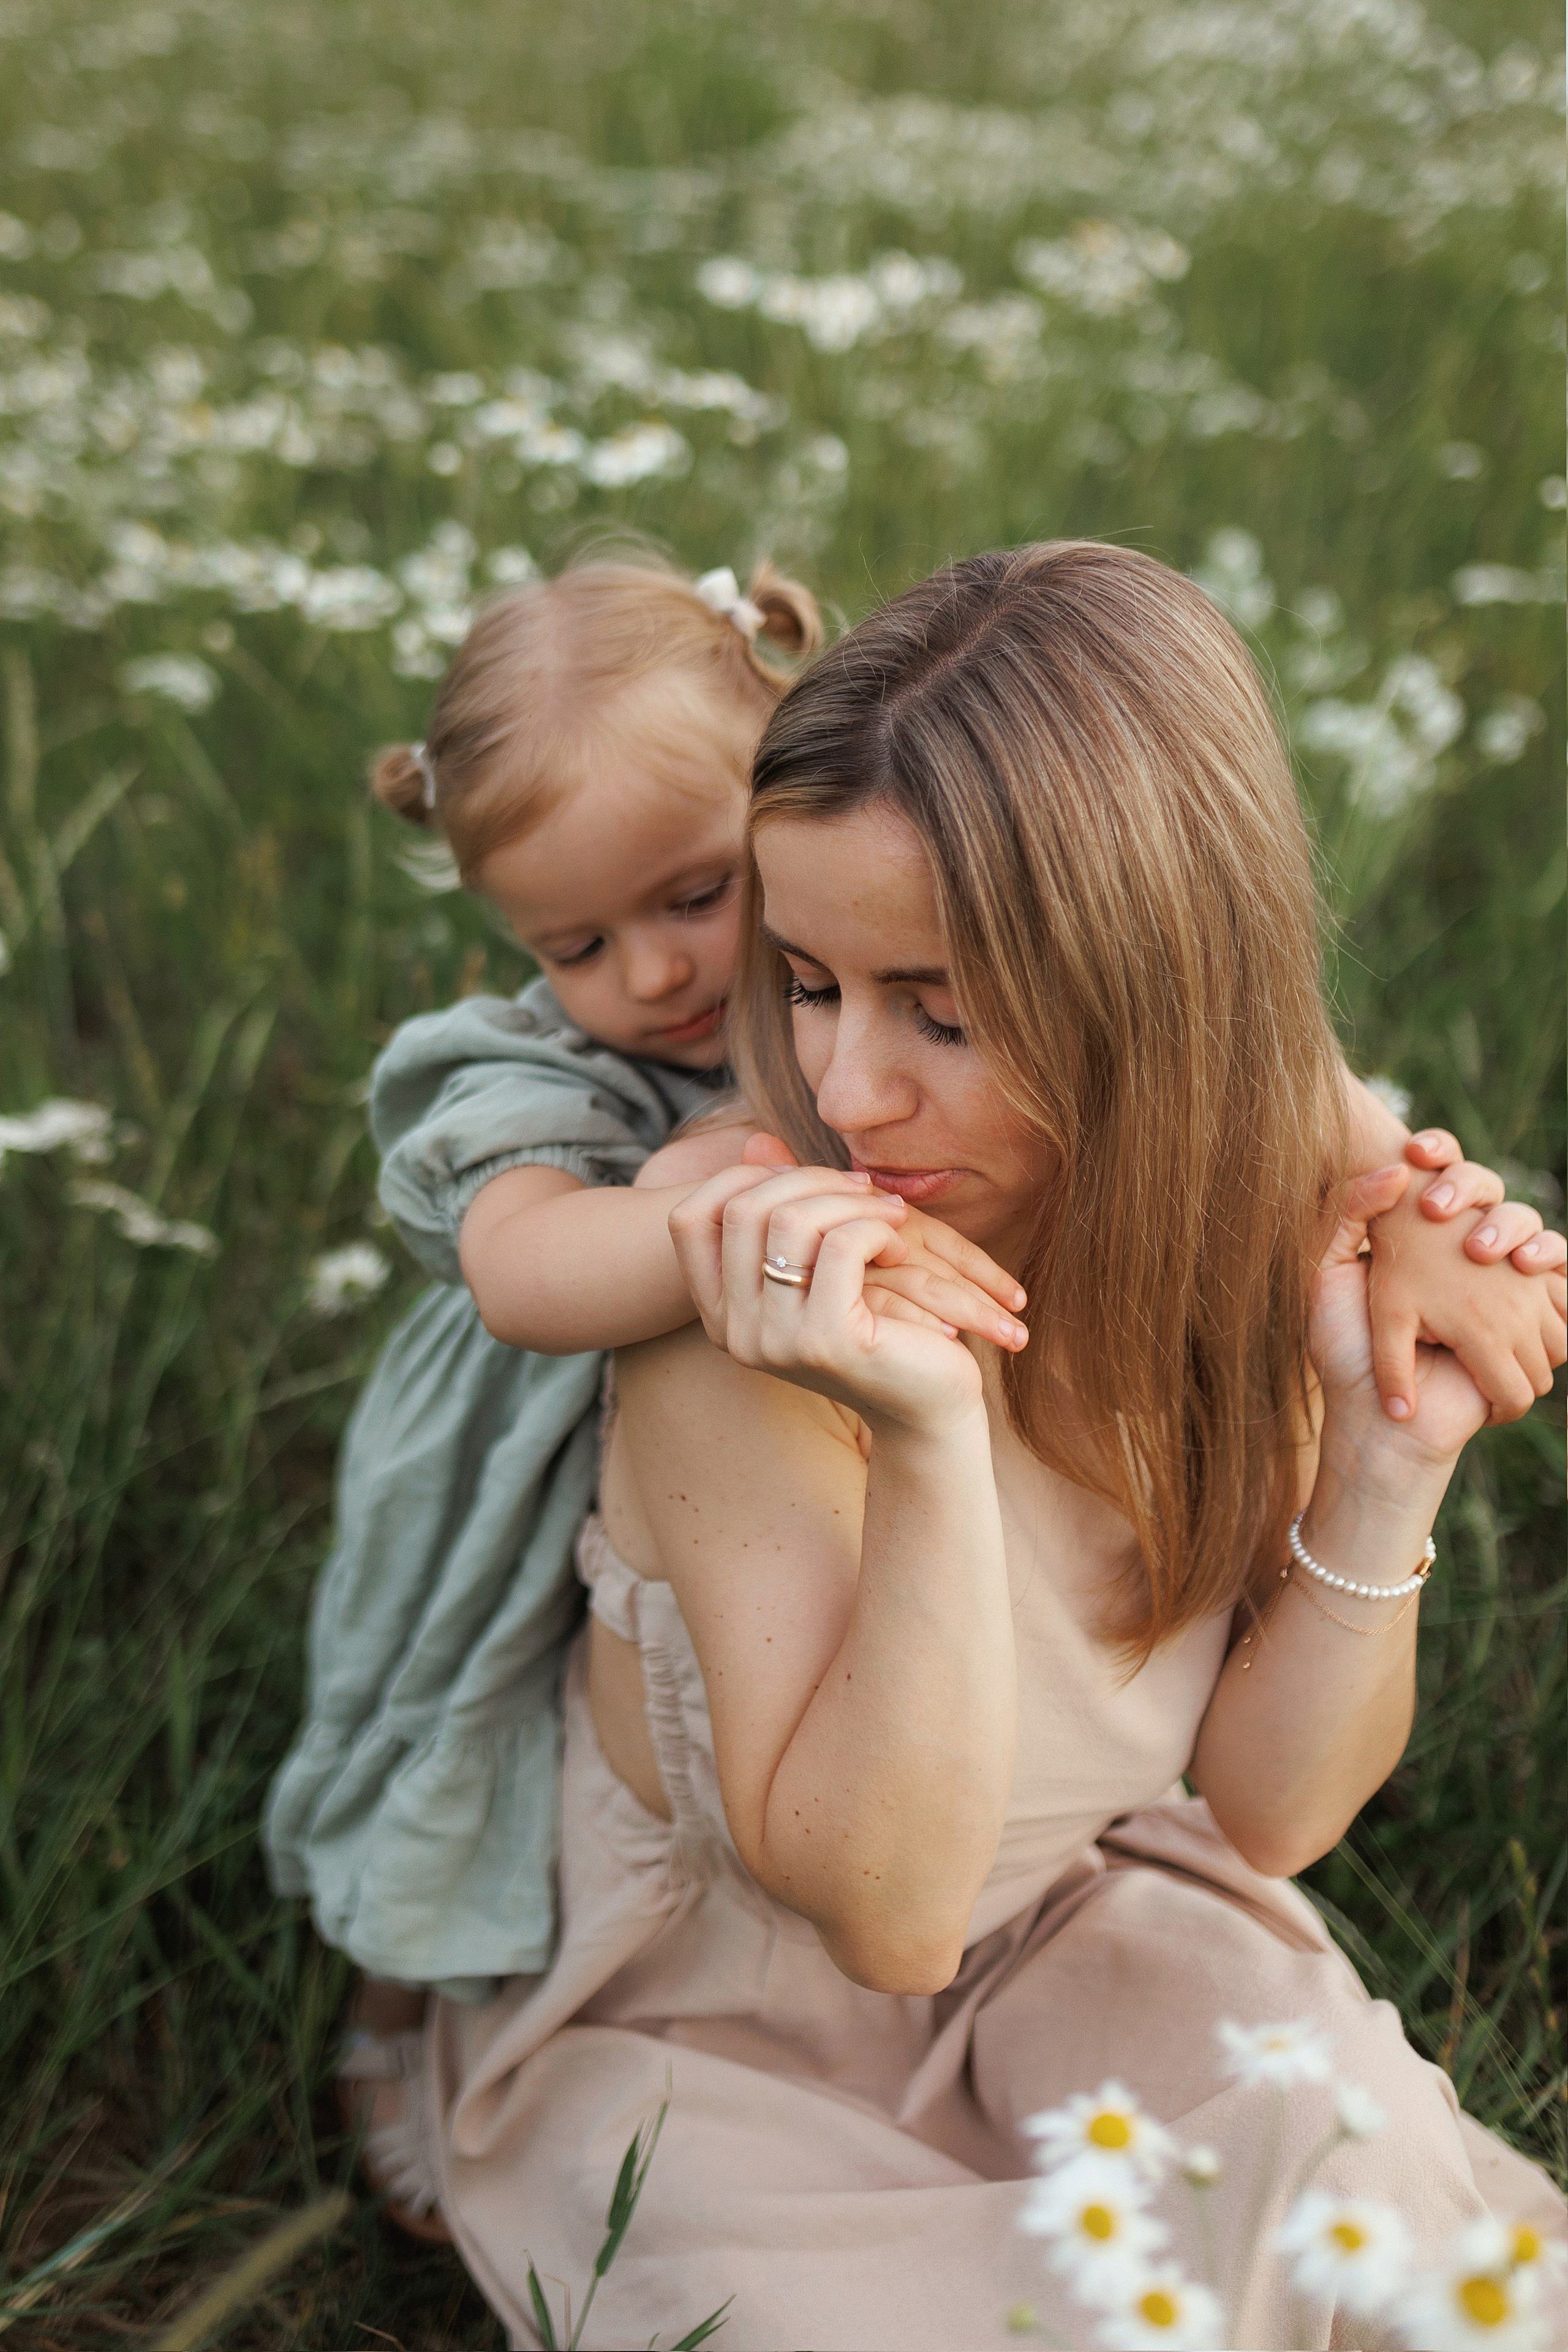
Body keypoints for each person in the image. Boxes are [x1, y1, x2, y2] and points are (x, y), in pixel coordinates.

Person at [418, 542, 1567, 2348]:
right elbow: (885, 1914)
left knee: (1360, 2209)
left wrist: (1383, 1452)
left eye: (937, 1011)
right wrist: (932, 1436)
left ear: (1147, 991)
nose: (851, 1088)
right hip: (717, 2018)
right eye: (805, 982)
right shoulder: (754, 1280)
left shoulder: (1258, 1219)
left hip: (1070, 1920)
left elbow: (1272, 1815)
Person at [263, 549, 1026, 2233]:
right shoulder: (525, 1071)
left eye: (696, 896)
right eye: (579, 939)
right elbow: (525, 1277)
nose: (662, 973)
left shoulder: (866, 961)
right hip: (521, 1477)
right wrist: (709, 1217)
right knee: (463, 1738)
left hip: (754, 1468)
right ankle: (397, 2025)